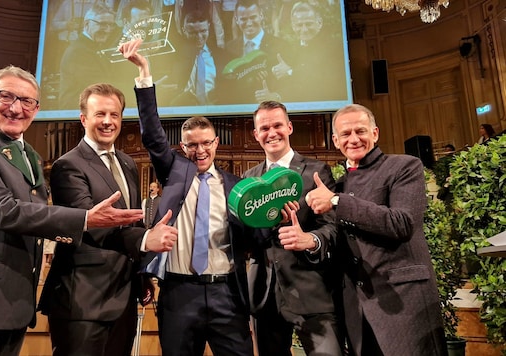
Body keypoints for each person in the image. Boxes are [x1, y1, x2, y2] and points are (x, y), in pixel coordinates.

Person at [0, 65, 144, 356]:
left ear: (36, 109)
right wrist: (85, 219)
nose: (16, 108)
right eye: (6, 97)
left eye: (27, 101)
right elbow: (0, 210)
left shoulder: (31, 156)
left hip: (14, 305)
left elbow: (36, 220)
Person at [120, 38, 255, 356]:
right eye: (192, 145)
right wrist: (144, 72)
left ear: (216, 143)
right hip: (180, 292)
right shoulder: (175, 172)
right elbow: (153, 134)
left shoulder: (236, 185)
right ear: (182, 147)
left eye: (206, 143)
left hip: (228, 293)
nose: (200, 150)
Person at [38, 82, 177, 356]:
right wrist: (148, 239)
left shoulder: (127, 163)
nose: (107, 121)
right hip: (82, 302)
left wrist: (142, 276)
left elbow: (131, 222)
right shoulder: (68, 165)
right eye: (99, 114)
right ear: (83, 119)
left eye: (114, 115)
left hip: (123, 297)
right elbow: (93, 227)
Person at [305, 103, 447, 356]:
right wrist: (310, 241)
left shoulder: (404, 166)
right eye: (346, 134)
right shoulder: (338, 184)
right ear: (336, 141)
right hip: (357, 309)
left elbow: (401, 223)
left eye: (360, 131)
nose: (354, 139)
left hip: (404, 302)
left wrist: (337, 201)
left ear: (375, 133)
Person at [244, 100, 344, 356]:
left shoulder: (316, 171)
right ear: (256, 135)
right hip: (264, 296)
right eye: (264, 128)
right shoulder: (248, 179)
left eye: (277, 125)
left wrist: (309, 240)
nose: (271, 132)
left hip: (312, 291)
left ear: (289, 127)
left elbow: (333, 228)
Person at [58, 4, 135, 109]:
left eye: (111, 25)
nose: (108, 30)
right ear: (86, 24)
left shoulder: (93, 46)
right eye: (102, 24)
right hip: (76, 114)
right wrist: (138, 89)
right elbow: (101, 87)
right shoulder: (78, 51)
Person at [224, 0, 289, 104]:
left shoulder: (280, 45)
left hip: (271, 107)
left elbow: (291, 83)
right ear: (236, 20)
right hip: (240, 108)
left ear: (261, 15)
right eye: (243, 19)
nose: (249, 23)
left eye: (253, 17)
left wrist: (275, 96)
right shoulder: (229, 48)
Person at [166, 10, 228, 106]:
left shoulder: (222, 56)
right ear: (184, 30)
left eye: (203, 31)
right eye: (193, 33)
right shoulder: (174, 57)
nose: (199, 37)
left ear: (209, 27)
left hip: (215, 111)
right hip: (184, 112)